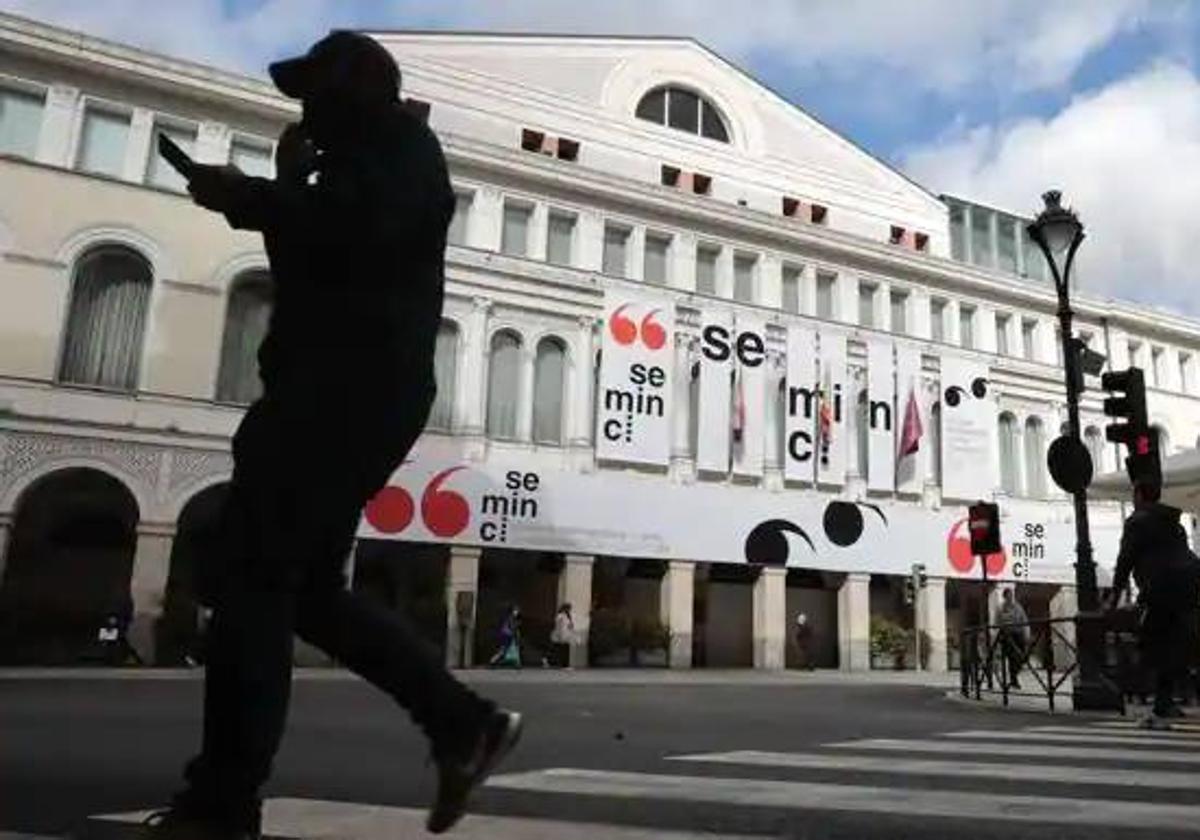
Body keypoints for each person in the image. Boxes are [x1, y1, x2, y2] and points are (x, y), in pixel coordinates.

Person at [145, 32, 520, 839]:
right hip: (340, 386)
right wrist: (281, 190)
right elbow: (321, 260)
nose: (304, 109)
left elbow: (362, 235)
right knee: (301, 587)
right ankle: (459, 721)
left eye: (313, 93)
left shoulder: (401, 153)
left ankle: (221, 801)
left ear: (349, 94)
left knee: (252, 576)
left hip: (344, 387)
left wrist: (252, 196)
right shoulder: (361, 164)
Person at [1107, 480, 1200, 728]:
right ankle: (1165, 701)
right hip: (1187, 587)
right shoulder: (1174, 524)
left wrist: (1113, 598)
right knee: (1177, 646)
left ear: (1139, 495)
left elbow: (1125, 560)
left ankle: (1153, 705)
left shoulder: (1137, 522)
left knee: (1150, 646)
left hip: (1159, 589)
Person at [994, 589, 1029, 689]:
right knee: (1011, 657)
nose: (1010, 597)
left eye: (1011, 595)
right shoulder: (1000, 608)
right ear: (1005, 597)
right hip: (1007, 635)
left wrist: (1026, 633)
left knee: (1022, 657)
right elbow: (997, 622)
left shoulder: (1017, 607)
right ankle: (1013, 680)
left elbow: (1024, 619)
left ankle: (1014, 677)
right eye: (1008, 595)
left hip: (1018, 634)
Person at [550, 603, 577, 668]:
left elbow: (570, 625)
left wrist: (571, 626)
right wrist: (560, 635)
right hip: (561, 635)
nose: (570, 610)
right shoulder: (560, 616)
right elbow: (559, 626)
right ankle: (562, 664)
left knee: (566, 650)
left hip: (567, 635)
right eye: (569, 608)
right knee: (561, 651)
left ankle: (565, 665)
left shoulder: (569, 616)